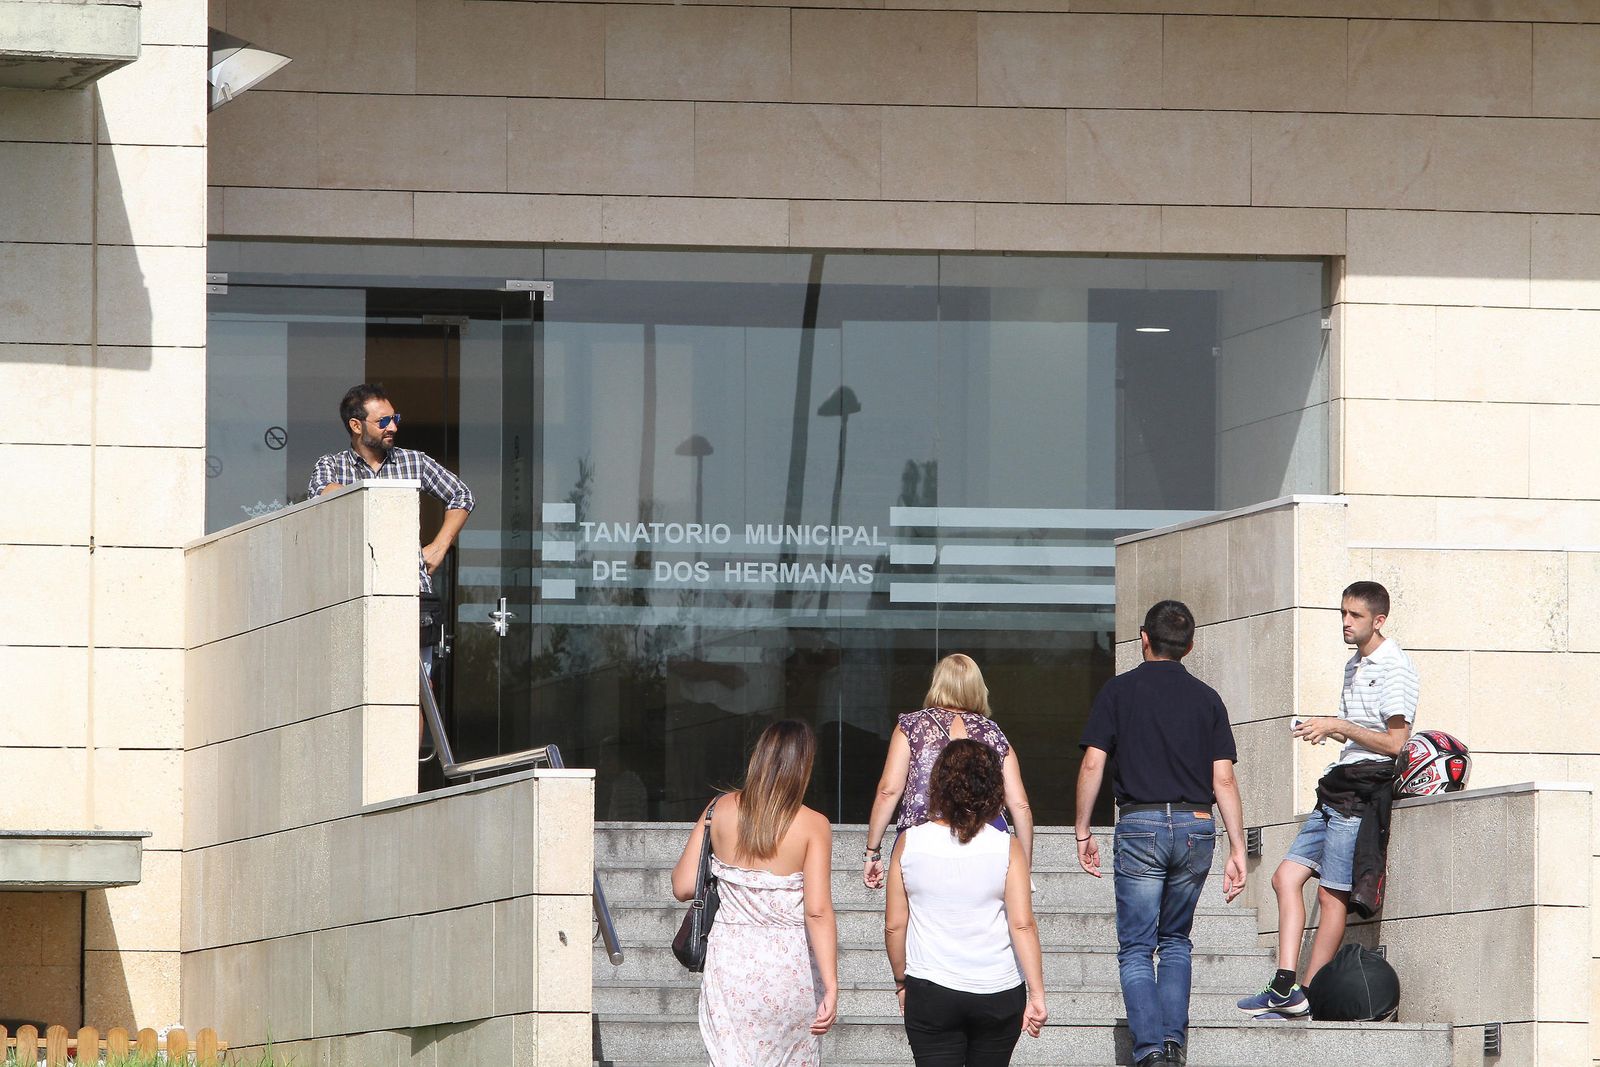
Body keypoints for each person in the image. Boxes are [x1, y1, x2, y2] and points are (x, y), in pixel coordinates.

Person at [1075, 600, 1247, 1067]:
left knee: (1136, 945)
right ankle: (1172, 1045)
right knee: (1175, 940)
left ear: (1143, 638)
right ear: (1189, 646)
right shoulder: (1208, 698)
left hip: (1139, 825)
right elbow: (1224, 779)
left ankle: (1149, 1050)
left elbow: (1094, 761)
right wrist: (1236, 847)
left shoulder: (1118, 692)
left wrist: (1082, 828)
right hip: (1196, 826)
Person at [1237, 580, 1418, 1020]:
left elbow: (1397, 743)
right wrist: (1329, 729)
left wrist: (1340, 724)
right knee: (1284, 878)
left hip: (1362, 793)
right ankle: (1284, 986)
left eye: (1354, 615)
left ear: (1378, 620)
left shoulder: (1395, 668)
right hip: (1337, 785)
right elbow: (1360, 732)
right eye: (1342, 613)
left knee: (1333, 895)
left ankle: (1306, 992)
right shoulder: (1353, 664)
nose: (1345, 622)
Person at [672, 720, 839, 1066]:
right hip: (789, 968)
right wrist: (832, 982)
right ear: (804, 766)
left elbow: (683, 885)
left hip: (730, 963)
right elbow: (818, 911)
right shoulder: (813, 824)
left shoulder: (717, 810)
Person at [884, 739, 1048, 1066]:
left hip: (931, 988)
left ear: (939, 784)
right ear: (993, 789)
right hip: (998, 989)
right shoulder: (1007, 847)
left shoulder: (910, 842)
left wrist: (902, 980)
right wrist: (1038, 993)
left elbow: (894, 924)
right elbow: (1022, 924)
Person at [862, 654, 1034, 891]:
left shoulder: (912, 726)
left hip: (922, 837)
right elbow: (1020, 805)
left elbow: (888, 790)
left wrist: (872, 851)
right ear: (977, 687)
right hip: (986, 838)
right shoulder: (992, 732)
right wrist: (1023, 868)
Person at [308, 383, 475, 599]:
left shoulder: (414, 461)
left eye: (395, 418)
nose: (393, 427)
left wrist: (439, 546)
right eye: (383, 421)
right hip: (351, 591)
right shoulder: (331, 465)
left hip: (411, 589)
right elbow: (322, 493)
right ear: (356, 426)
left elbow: (462, 495)